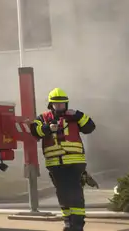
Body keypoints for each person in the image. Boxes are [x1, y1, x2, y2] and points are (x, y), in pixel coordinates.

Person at [30, 87, 96, 231]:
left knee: (74, 193)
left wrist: (78, 115)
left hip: (75, 162)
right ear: (50, 104)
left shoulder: (74, 116)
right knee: (62, 193)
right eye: (56, 104)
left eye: (62, 104)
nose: (60, 107)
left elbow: (90, 127)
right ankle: (68, 222)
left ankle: (77, 225)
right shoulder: (42, 118)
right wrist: (48, 128)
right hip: (55, 163)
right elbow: (34, 131)